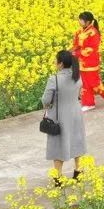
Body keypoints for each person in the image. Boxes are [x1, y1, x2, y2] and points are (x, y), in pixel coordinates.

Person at [41, 51, 87, 185]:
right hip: (76, 113)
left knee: (58, 146)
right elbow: (79, 94)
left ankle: (58, 179)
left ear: (61, 64)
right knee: (77, 141)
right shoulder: (77, 76)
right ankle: (79, 173)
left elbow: (45, 100)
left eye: (56, 61)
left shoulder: (54, 79)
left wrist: (49, 104)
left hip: (59, 116)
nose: (55, 63)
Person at [73, 12, 104, 112]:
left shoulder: (93, 32)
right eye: (79, 19)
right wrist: (69, 52)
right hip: (81, 62)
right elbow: (75, 45)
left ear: (88, 22)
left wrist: (76, 54)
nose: (80, 22)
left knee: (94, 84)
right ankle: (88, 103)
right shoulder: (79, 31)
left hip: (91, 62)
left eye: (81, 20)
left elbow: (90, 49)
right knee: (85, 84)